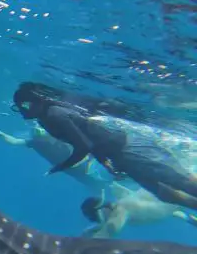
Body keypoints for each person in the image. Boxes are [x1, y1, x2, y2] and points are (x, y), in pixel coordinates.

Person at [12, 81, 197, 211]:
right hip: (120, 155)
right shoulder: (46, 119)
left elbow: (84, 146)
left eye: (24, 105)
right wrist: (106, 163)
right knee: (165, 194)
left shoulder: (55, 115)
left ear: (38, 101)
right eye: (19, 107)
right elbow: (91, 142)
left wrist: (60, 167)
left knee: (180, 181)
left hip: (129, 149)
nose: (22, 110)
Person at [0, 123, 110, 192]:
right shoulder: (36, 142)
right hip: (76, 168)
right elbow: (14, 141)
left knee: (100, 182)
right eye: (35, 130)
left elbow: (14, 141)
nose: (36, 129)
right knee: (99, 184)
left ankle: (112, 191)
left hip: (82, 163)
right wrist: (0, 134)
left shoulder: (49, 137)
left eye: (38, 128)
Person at [80, 182, 197, 238]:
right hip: (173, 201)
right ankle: (188, 218)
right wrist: (89, 231)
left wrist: (77, 245)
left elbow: (109, 230)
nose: (99, 221)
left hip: (180, 197)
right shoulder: (121, 205)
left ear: (101, 210)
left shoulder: (121, 210)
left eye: (95, 218)